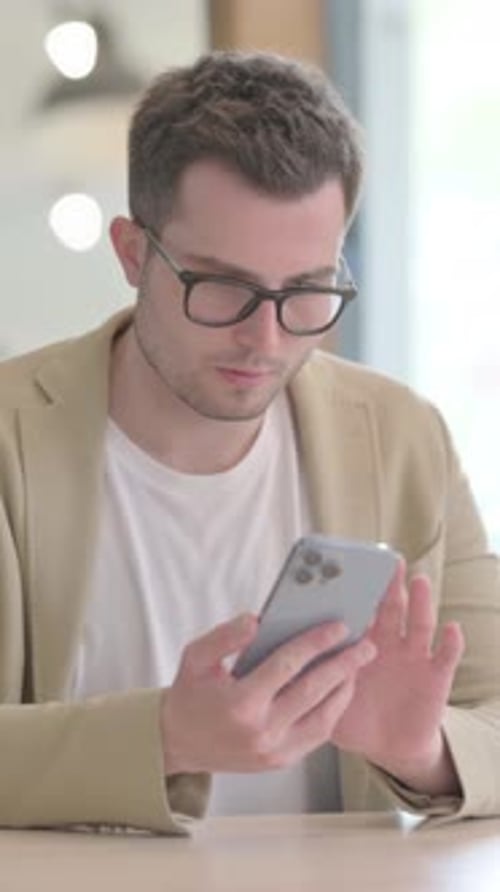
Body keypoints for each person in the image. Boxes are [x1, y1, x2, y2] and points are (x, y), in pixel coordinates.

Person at [0, 50, 499, 835]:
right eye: (222, 286)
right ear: (134, 252)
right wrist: (164, 738)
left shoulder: (403, 436)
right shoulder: (10, 437)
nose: (265, 339)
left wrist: (425, 750)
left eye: (306, 291)